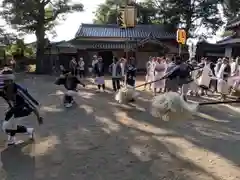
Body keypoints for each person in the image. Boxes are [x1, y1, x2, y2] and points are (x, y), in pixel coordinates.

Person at [0, 70, 43, 146]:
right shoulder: (2, 87)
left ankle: (26, 131)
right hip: (13, 107)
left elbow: (31, 103)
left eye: (7, 81)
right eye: (3, 81)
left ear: (11, 80)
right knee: (11, 124)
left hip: (23, 108)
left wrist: (38, 116)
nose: (5, 83)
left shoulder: (19, 90)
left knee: (6, 127)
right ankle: (15, 138)